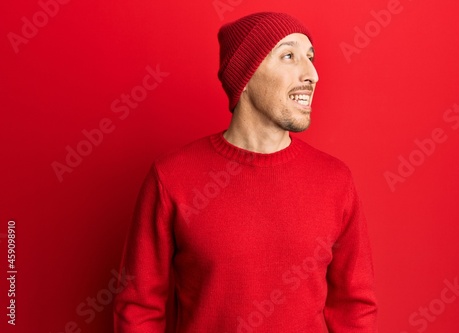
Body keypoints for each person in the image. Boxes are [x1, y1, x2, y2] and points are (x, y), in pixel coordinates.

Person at [114, 11, 378, 333]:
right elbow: (139, 308)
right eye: (289, 56)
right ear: (247, 75)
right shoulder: (172, 177)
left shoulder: (336, 180)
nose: (312, 74)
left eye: (310, 57)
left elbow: (355, 309)